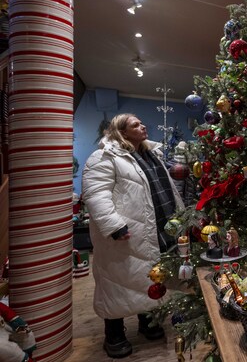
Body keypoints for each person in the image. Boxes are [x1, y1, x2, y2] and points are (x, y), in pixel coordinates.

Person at [82, 113, 184, 358]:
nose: (143, 125)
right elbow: (96, 193)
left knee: (150, 275)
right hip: (126, 232)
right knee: (116, 282)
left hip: (156, 226)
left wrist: (181, 215)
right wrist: (113, 225)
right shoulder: (104, 157)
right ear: (122, 132)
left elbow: (166, 187)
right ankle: (114, 334)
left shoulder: (152, 154)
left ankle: (148, 322)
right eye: (135, 124)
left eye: (142, 122)